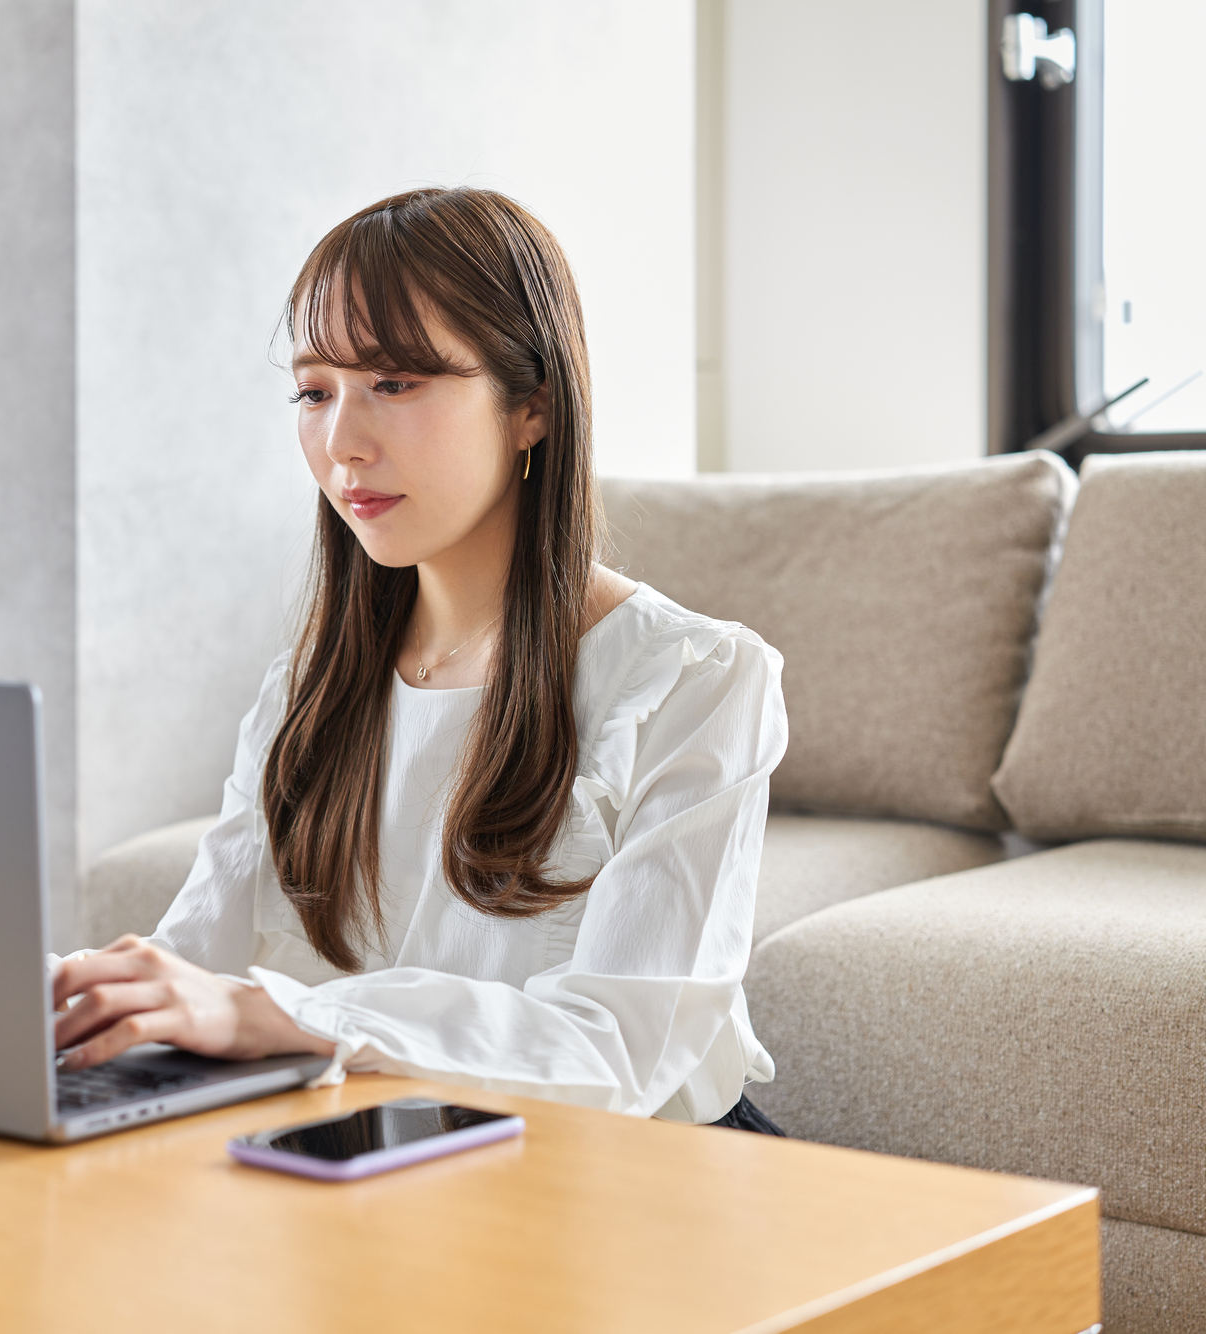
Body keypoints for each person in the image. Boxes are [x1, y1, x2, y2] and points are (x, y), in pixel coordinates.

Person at [52, 187, 787, 1131]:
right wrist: (63, 998)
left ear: (533, 406)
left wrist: (293, 1019)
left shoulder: (696, 679)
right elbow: (197, 960)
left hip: (629, 1167)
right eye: (315, 392)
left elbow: (619, 1047)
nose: (341, 444)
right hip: (393, 1151)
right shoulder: (311, 688)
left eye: (395, 383)